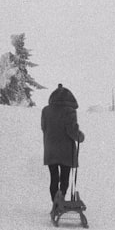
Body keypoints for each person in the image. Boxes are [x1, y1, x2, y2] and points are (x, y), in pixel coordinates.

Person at [42, 83, 85, 212]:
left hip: (50, 149)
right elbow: (72, 131)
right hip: (66, 150)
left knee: (53, 177)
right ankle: (61, 200)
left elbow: (44, 128)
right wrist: (80, 137)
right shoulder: (70, 111)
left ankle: (55, 203)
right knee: (64, 178)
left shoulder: (45, 110)